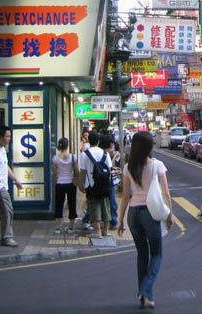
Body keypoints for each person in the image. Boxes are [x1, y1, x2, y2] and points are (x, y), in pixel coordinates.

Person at [117, 132, 173, 309]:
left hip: (133, 214)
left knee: (142, 254)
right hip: (150, 214)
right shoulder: (157, 165)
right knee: (156, 253)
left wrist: (120, 220)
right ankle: (146, 289)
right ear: (149, 147)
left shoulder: (128, 168)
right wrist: (170, 215)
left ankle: (145, 297)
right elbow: (165, 193)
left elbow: (125, 197)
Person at [79, 131, 112, 239]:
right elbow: (110, 169)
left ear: (89, 140)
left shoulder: (84, 154)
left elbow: (83, 171)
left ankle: (97, 232)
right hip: (105, 185)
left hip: (91, 185)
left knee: (94, 207)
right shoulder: (105, 154)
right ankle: (106, 231)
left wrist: (81, 184)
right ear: (98, 141)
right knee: (106, 207)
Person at [52, 137, 78, 234]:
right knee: (72, 204)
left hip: (60, 183)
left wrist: (55, 184)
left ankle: (58, 228)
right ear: (68, 145)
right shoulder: (73, 157)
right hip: (70, 184)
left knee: (58, 205)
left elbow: (55, 174)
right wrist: (78, 182)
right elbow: (76, 170)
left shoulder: (55, 158)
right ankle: (71, 227)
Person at [100, 134, 122, 230]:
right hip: (107, 182)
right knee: (112, 203)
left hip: (104, 181)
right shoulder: (104, 154)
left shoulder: (104, 153)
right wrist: (114, 159)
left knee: (101, 201)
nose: (113, 148)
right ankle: (113, 222)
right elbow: (108, 168)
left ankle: (88, 219)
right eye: (111, 146)